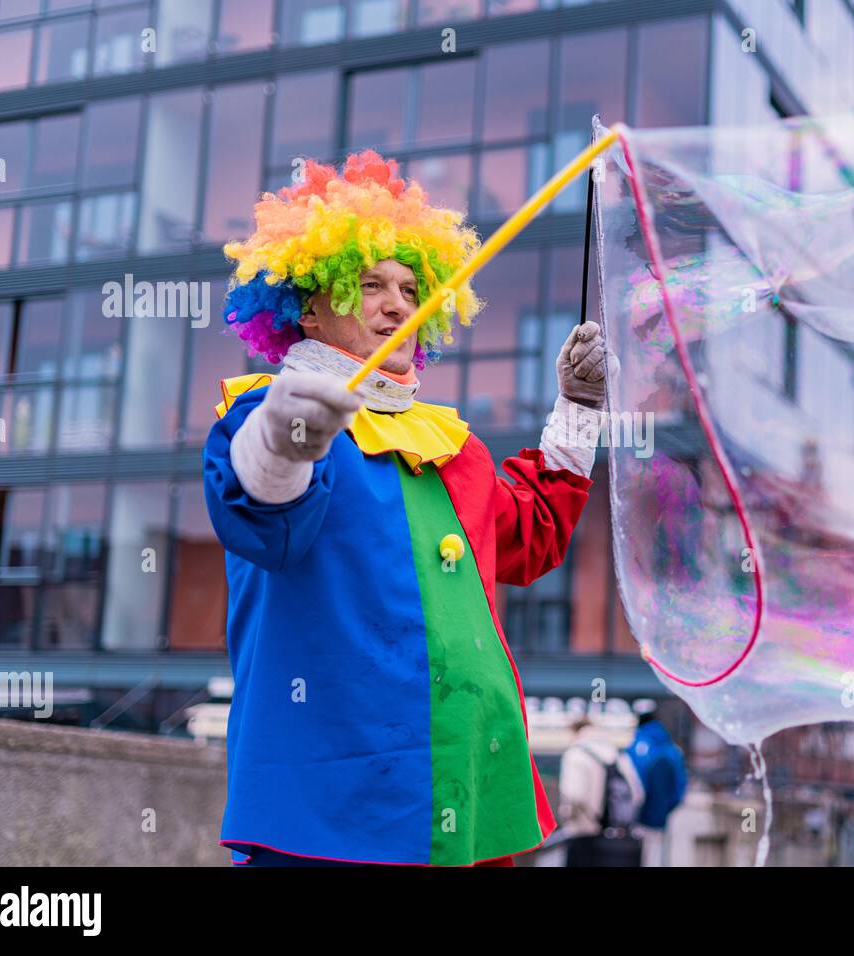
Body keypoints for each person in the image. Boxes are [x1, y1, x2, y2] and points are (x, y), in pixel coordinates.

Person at [204, 150, 616, 867]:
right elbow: (262, 512)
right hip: (334, 812)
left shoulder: (453, 444)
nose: (398, 304)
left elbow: (528, 535)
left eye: (409, 286)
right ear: (309, 304)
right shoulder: (264, 419)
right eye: (369, 285)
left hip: (464, 790)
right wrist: (288, 433)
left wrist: (577, 410)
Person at [558, 715, 645, 866]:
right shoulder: (617, 754)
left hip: (584, 835)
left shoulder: (576, 753)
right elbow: (638, 795)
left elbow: (574, 794)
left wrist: (569, 818)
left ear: (575, 732)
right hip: (616, 839)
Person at [625, 701, 687, 866]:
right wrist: (667, 808)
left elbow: (630, 783)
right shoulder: (671, 748)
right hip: (663, 815)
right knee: (659, 856)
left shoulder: (637, 746)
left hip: (639, 817)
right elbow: (680, 785)